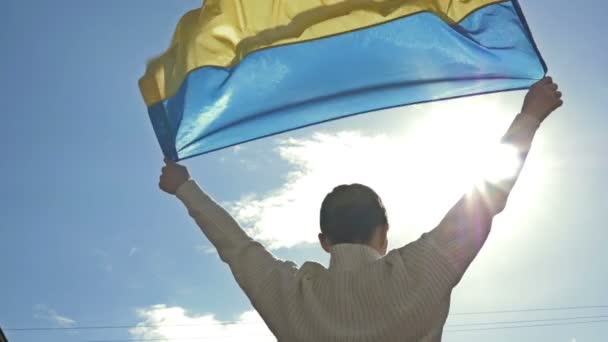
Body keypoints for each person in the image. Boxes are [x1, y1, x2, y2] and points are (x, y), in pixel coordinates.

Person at [159, 77, 563, 342]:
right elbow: (485, 199)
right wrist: (530, 116)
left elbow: (236, 247)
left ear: (324, 240)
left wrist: (186, 189)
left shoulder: (293, 295)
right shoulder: (419, 272)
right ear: (385, 232)